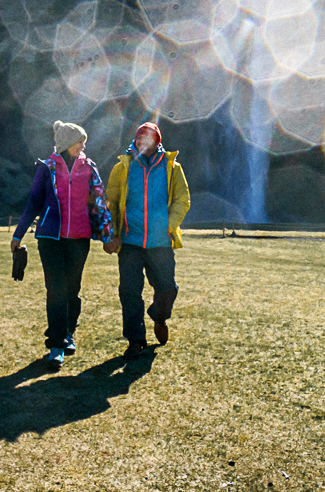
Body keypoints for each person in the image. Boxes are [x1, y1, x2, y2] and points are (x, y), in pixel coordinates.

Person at [11, 121, 114, 370]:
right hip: (50, 239)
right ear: (68, 143)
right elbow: (34, 203)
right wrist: (18, 235)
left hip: (79, 239)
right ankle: (55, 345)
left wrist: (108, 236)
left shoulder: (90, 168)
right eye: (80, 141)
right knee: (56, 289)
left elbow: (100, 203)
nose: (84, 145)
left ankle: (69, 333)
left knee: (72, 290)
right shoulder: (46, 169)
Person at [105, 121, 191, 359]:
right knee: (129, 291)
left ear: (158, 142)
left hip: (161, 242)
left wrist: (168, 226)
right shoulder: (122, 167)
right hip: (130, 241)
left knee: (167, 288)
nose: (145, 143)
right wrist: (111, 233)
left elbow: (182, 200)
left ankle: (159, 316)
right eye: (141, 139)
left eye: (150, 139)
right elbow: (110, 202)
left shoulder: (172, 167)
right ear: (135, 140)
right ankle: (135, 340)